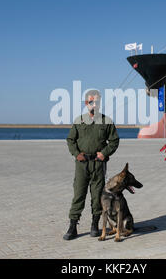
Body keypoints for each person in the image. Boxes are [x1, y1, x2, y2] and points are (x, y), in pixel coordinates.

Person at [63, 89, 120, 240]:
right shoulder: (79, 120)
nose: (93, 105)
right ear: (86, 103)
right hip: (82, 164)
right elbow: (70, 140)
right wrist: (76, 154)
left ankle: (95, 225)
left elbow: (114, 141)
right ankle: (73, 226)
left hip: (98, 164)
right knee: (79, 194)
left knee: (97, 196)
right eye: (90, 102)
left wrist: (105, 153)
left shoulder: (106, 121)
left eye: (96, 102)